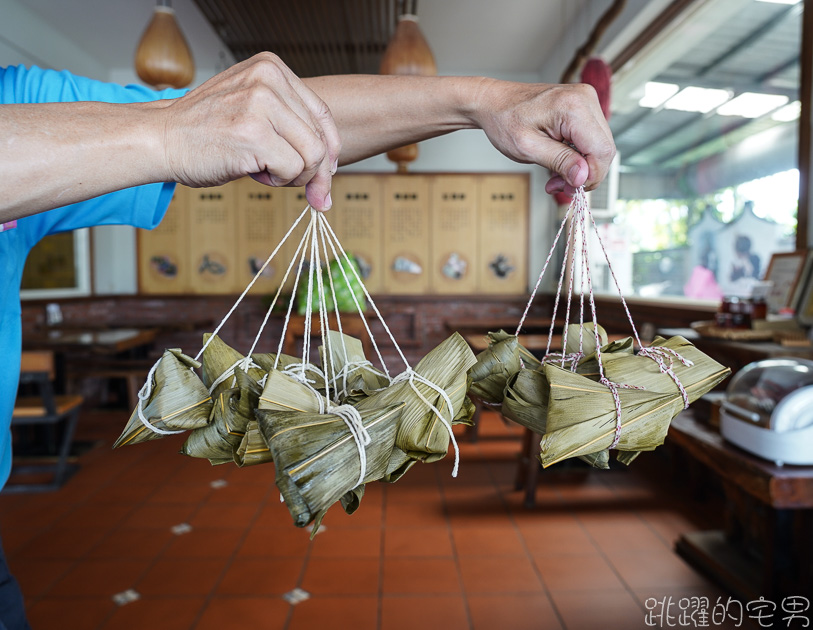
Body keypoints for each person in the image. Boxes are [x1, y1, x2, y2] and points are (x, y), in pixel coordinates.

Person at [0, 52, 615, 629]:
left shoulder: (24, 98)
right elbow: (186, 123)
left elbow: (256, 117)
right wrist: (166, 132)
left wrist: (483, 102)